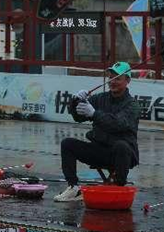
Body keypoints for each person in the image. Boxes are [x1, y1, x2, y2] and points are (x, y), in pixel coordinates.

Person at [54, 62, 139, 202]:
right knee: (67, 144)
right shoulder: (100, 98)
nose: (113, 82)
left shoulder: (132, 105)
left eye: (117, 78)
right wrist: (75, 101)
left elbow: (118, 124)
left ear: (127, 80)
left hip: (122, 156)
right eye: (110, 78)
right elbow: (78, 117)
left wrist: (94, 114)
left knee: (121, 146)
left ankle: (118, 187)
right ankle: (73, 188)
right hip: (100, 150)